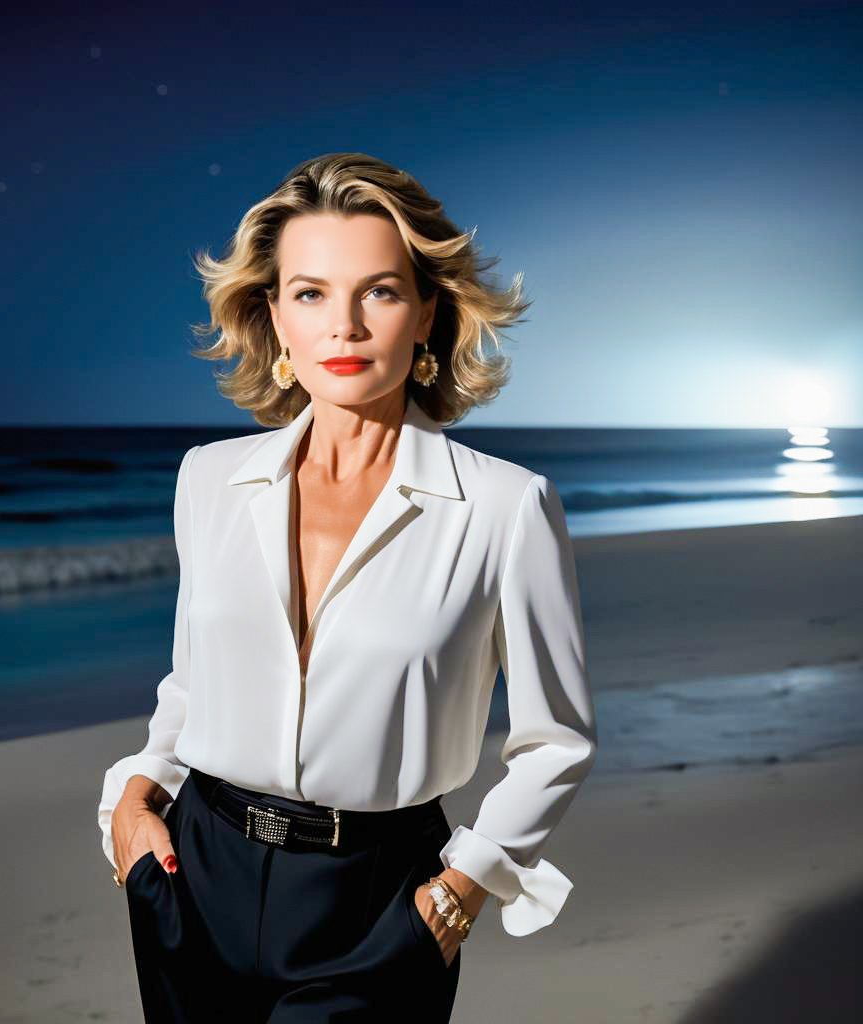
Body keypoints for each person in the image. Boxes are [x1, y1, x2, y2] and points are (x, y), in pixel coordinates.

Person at [97, 152, 597, 1023]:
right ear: (275, 318)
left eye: (381, 291)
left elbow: (555, 738)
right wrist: (135, 798)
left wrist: (461, 891)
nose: (346, 327)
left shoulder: (505, 507)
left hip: (381, 903)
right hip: (192, 876)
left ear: (427, 313)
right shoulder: (208, 479)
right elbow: (193, 679)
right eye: (311, 293)